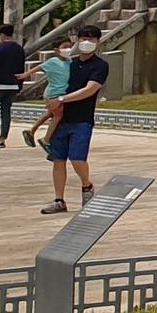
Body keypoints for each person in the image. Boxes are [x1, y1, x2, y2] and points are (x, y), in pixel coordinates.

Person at [39, 27, 109, 214]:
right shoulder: (69, 63)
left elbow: (90, 89)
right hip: (61, 119)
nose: (87, 42)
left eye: (91, 39)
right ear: (77, 40)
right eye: (84, 38)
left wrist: (62, 99)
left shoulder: (100, 65)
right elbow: (54, 83)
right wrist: (51, 101)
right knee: (58, 160)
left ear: (98, 42)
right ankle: (59, 200)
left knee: (77, 159)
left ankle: (87, 186)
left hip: (82, 119)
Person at [19, 41, 72, 148]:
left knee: (50, 112)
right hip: (55, 93)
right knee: (58, 115)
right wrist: (26, 74)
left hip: (63, 93)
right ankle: (46, 139)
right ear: (56, 50)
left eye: (70, 47)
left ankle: (31, 130)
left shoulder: (69, 61)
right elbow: (39, 67)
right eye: (65, 47)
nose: (68, 49)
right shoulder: (53, 61)